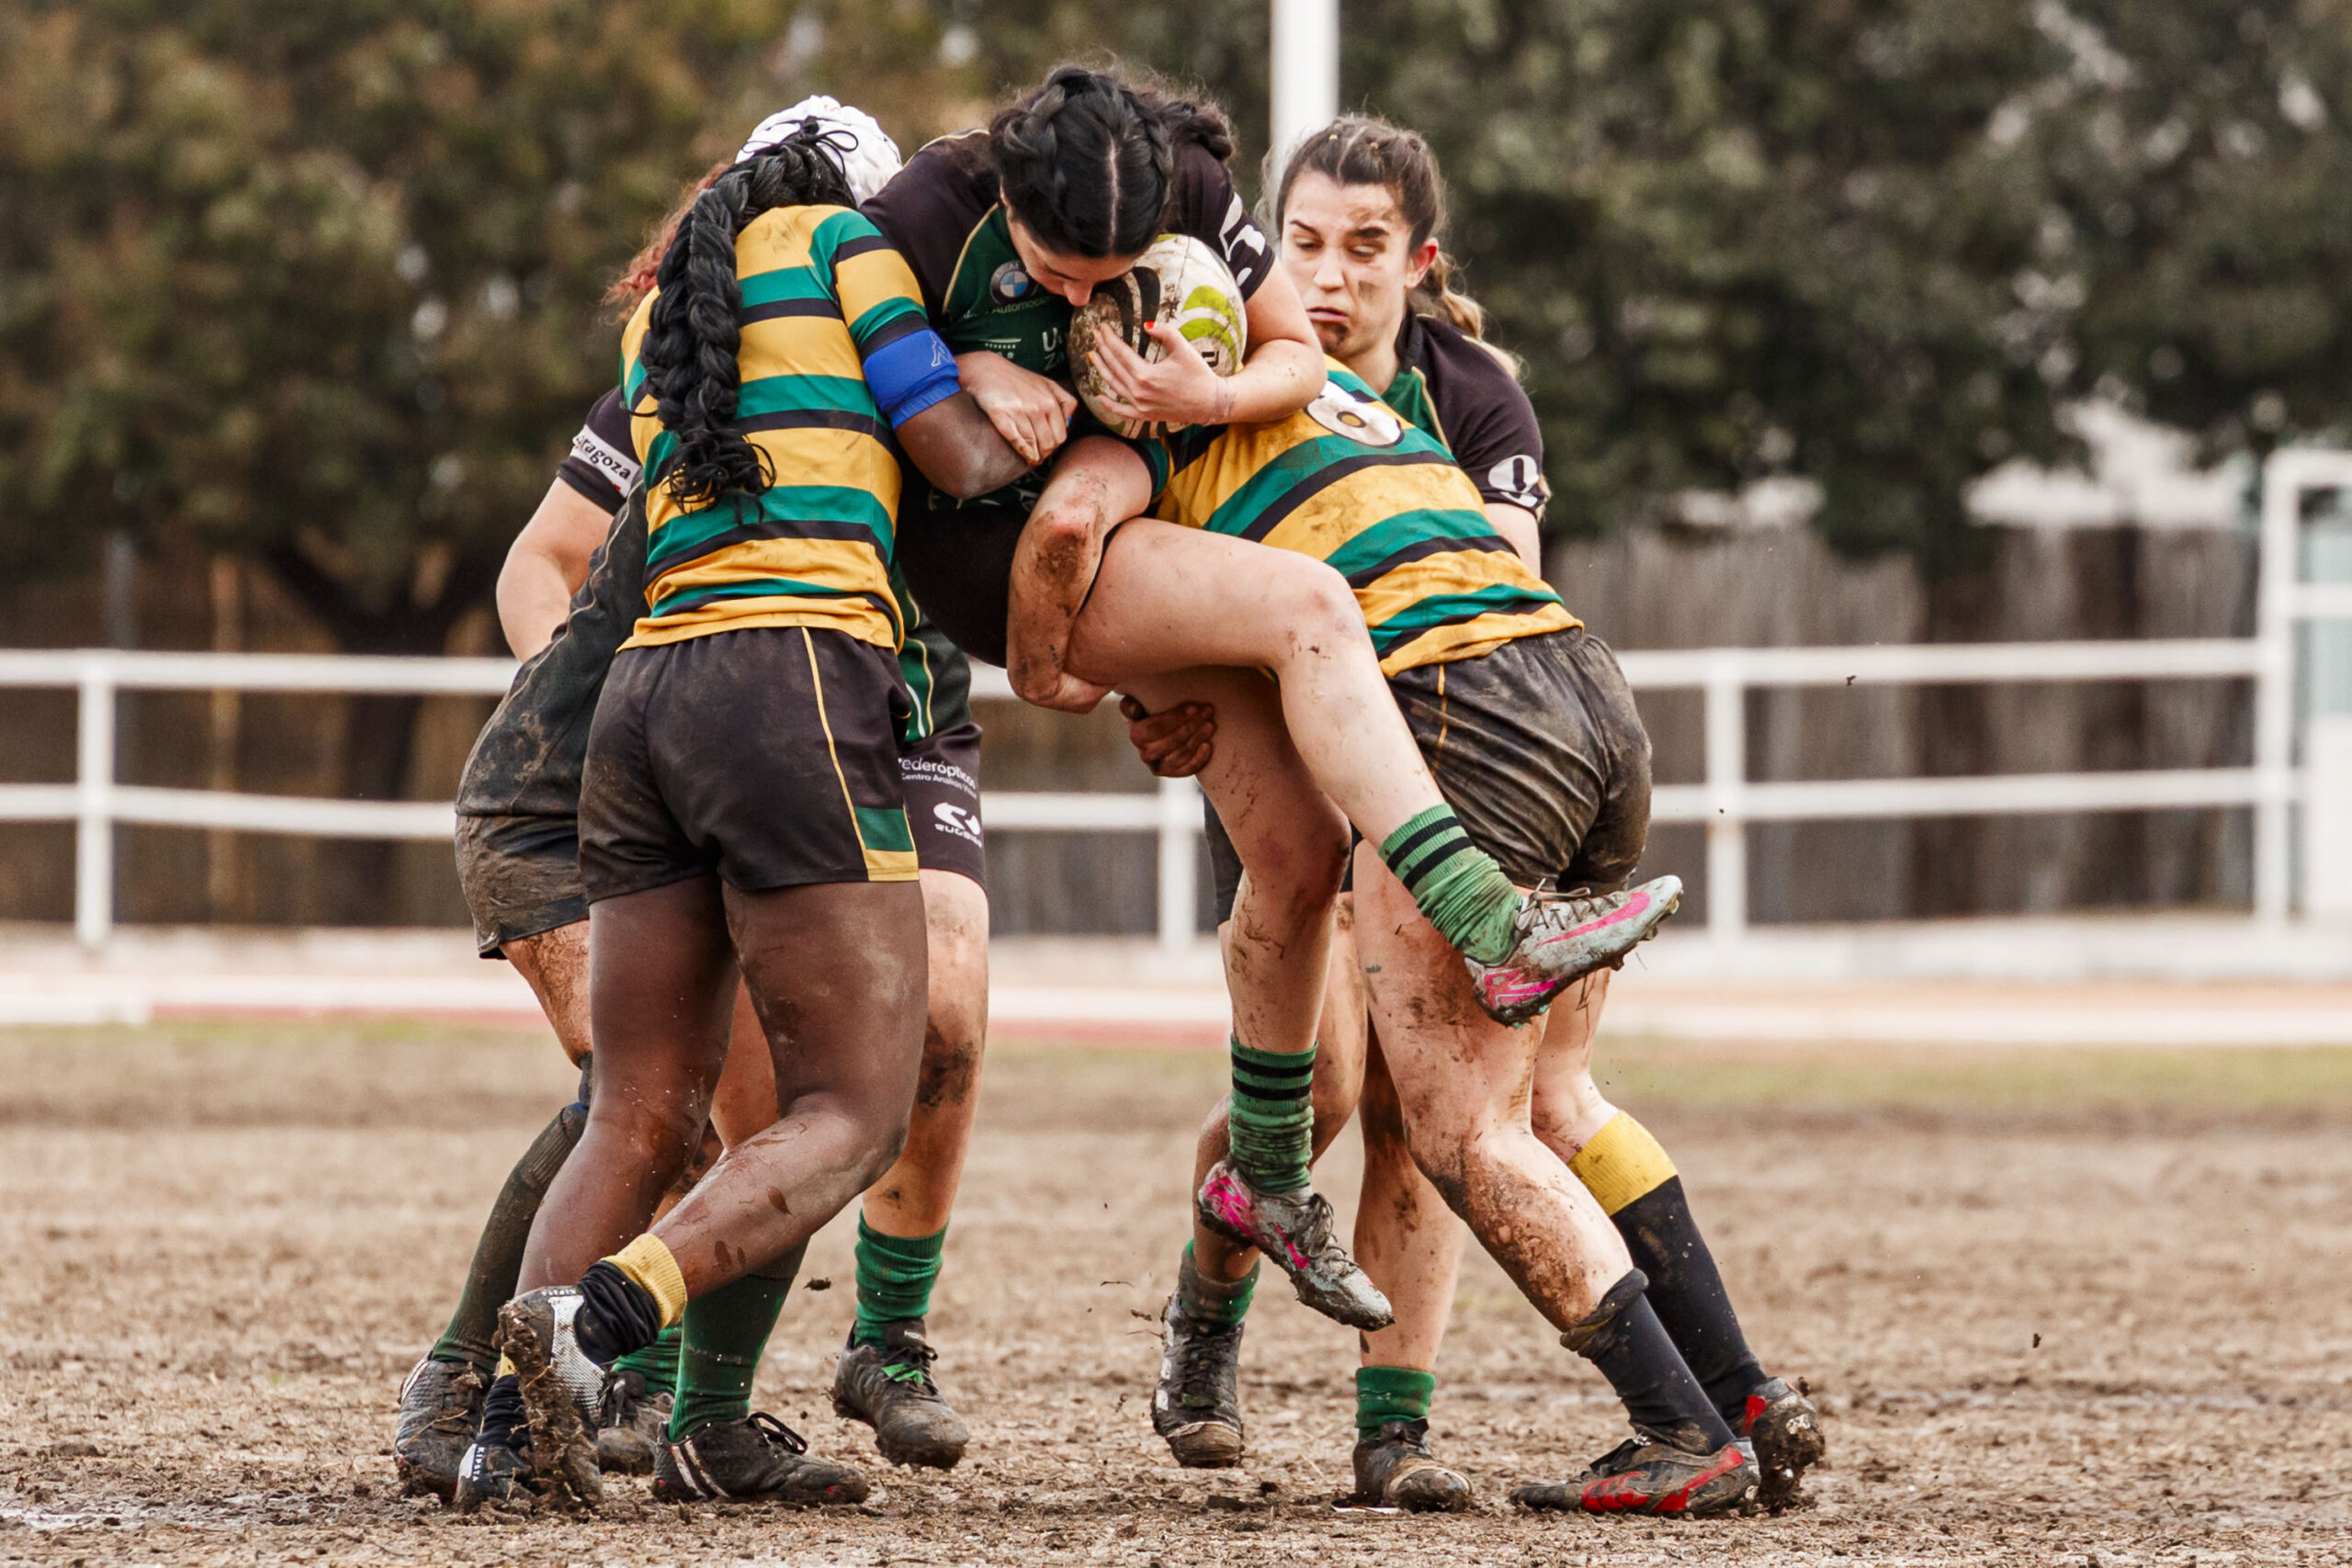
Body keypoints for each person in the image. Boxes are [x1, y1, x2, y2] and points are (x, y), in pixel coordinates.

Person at [867, 67, 1681, 1332]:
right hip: (1075, 563)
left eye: (1114, 274)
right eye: (1061, 275)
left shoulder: (1457, 383)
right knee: (1343, 1073)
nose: (1085, 300)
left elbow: (1306, 381)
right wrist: (962, 361)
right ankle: (1475, 926)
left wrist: (1205, 399)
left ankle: (1271, 1234)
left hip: (1383, 697)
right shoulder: (926, 216)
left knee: (1316, 883)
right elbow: (908, 401)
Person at [1134, 116, 1825, 1515]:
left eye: (1366, 247)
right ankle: (1206, 1326)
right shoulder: (1214, 371)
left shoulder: (1467, 390)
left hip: (1463, 742)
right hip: (1322, 773)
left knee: (1474, 1110)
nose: (1330, 277)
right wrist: (1167, 697)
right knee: (1325, 1095)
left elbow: (1489, 582)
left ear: (1420, 261)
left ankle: (1425, 1432)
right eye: (1305, 243)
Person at [450, 121, 1034, 1512]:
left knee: (640, 1109)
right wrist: (1040, 408)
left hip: (643, 708)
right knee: (854, 1109)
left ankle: (504, 1439)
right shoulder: (854, 254)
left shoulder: (670, 314)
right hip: (794, 690)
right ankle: (602, 1324)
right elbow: (954, 456)